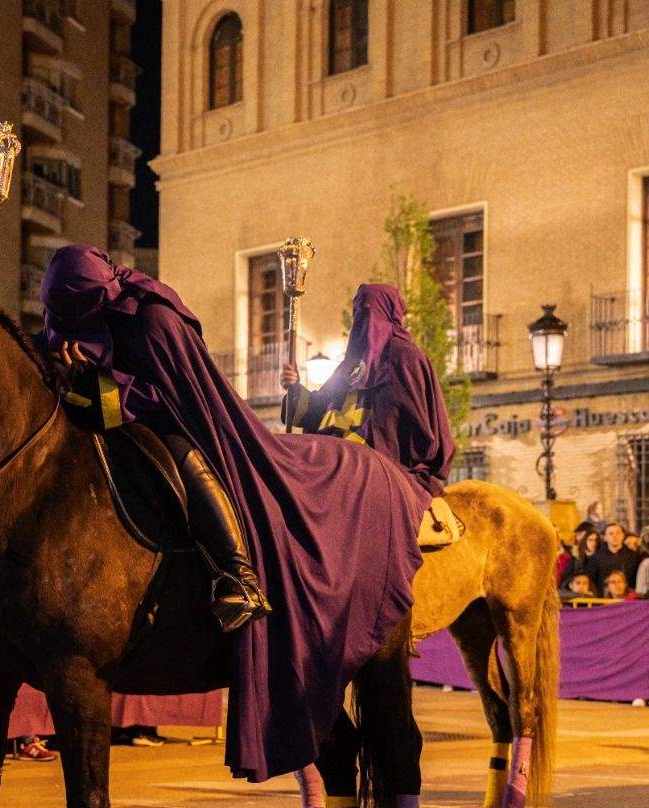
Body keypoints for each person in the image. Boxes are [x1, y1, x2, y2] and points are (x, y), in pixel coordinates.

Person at [40, 246, 427, 781]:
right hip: (105, 426)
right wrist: (303, 400)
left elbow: (167, 396)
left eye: (369, 313)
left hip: (173, 420)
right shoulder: (70, 314)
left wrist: (103, 389)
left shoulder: (152, 319)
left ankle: (235, 572)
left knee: (180, 454)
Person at [281, 283, 460, 548]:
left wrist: (399, 464)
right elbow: (317, 411)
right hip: (334, 460)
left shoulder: (406, 358)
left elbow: (423, 426)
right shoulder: (349, 365)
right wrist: (295, 388)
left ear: (390, 314)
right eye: (359, 312)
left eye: (371, 311)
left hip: (379, 466)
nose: (364, 320)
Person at [592, 522, 640, 590]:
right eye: (611, 533)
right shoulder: (596, 557)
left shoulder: (634, 556)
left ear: (623, 535)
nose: (615, 536)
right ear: (605, 537)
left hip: (628, 597)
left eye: (618, 533)